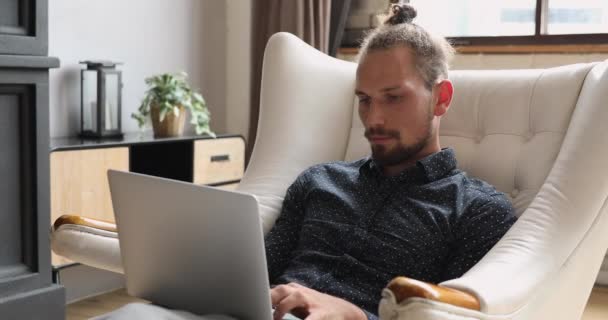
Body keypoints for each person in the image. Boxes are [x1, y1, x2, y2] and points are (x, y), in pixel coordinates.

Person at [97, 3, 517, 320]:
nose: (374, 118)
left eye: (393, 97)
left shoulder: (477, 211)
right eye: (365, 100)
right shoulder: (320, 180)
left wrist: (354, 314)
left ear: (440, 98)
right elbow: (256, 272)